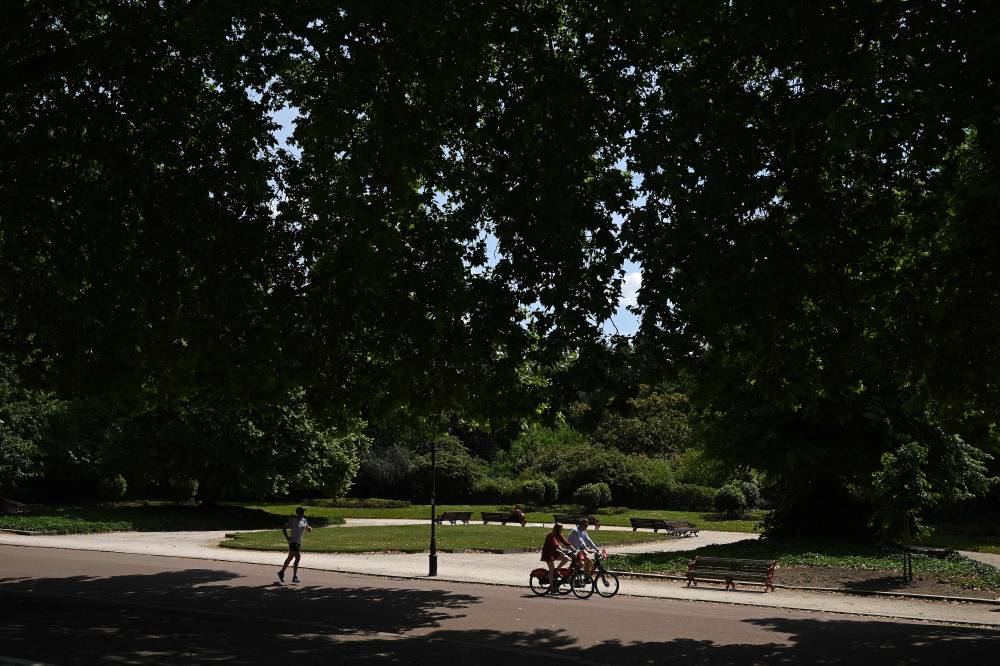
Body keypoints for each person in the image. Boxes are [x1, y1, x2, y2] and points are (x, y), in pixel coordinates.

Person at [278, 507, 312, 583]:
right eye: (301, 512)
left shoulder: (304, 520)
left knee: (290, 557)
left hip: (299, 542)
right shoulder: (293, 520)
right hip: (293, 542)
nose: (303, 513)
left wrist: (309, 529)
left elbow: (307, 529)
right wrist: (287, 537)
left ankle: (281, 572)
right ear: (297, 513)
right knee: (298, 558)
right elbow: (284, 528)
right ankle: (294, 577)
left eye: (303, 512)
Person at [540, 523, 571, 592]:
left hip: (554, 552)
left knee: (566, 558)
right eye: (561, 528)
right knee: (551, 570)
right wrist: (563, 550)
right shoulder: (550, 535)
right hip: (548, 554)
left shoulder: (559, 535)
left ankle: (557, 570)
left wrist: (574, 549)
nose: (562, 530)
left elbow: (566, 543)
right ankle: (551, 587)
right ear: (557, 529)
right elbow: (556, 544)